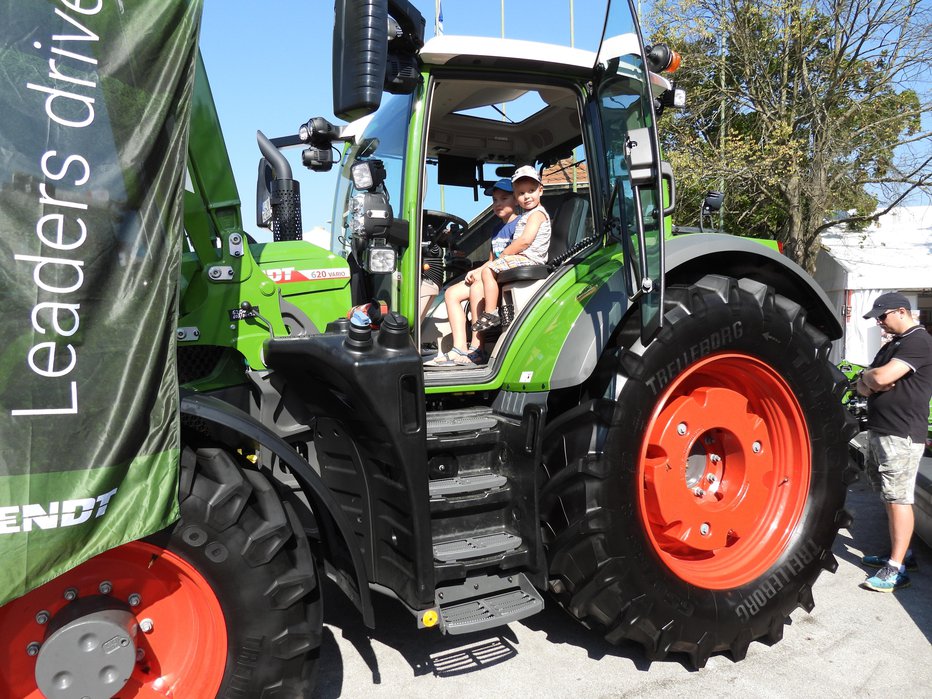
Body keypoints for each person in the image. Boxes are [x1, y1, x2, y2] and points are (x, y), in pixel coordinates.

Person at [856, 291, 932, 592]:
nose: (879, 322)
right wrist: (872, 379)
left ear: (902, 311)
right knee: (889, 496)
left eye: (882, 316)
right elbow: (866, 383)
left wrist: (873, 379)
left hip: (901, 433)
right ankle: (903, 554)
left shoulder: (919, 342)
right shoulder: (895, 345)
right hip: (882, 429)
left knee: (899, 499)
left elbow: (880, 378)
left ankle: (896, 569)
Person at [429, 179, 520, 366]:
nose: (498, 203)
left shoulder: (520, 224)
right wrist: (477, 270)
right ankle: (459, 347)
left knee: (477, 287)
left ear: (516, 200)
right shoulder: (497, 229)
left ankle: (478, 349)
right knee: (451, 293)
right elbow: (491, 260)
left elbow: (511, 256)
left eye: (504, 198)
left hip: (505, 275)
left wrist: (483, 273)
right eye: (495, 200)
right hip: (492, 271)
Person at [471, 165, 552, 333]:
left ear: (541, 191)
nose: (527, 196)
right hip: (524, 256)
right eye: (521, 193)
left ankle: (491, 313)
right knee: (489, 270)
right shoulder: (528, 214)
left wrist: (504, 255)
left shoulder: (537, 214)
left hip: (530, 258)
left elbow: (524, 241)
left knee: (488, 271)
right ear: (516, 196)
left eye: (531, 190)